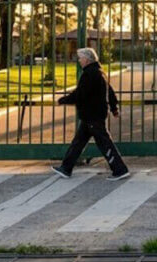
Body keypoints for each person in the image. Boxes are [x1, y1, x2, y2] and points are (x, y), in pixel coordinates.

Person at [52, 48, 130, 181]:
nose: (79, 60)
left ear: (87, 59)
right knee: (78, 142)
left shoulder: (90, 74)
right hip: (90, 116)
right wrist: (114, 107)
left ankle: (119, 170)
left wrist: (63, 100)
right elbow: (109, 91)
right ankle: (66, 168)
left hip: (93, 115)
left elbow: (80, 94)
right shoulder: (99, 72)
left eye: (80, 58)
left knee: (104, 143)